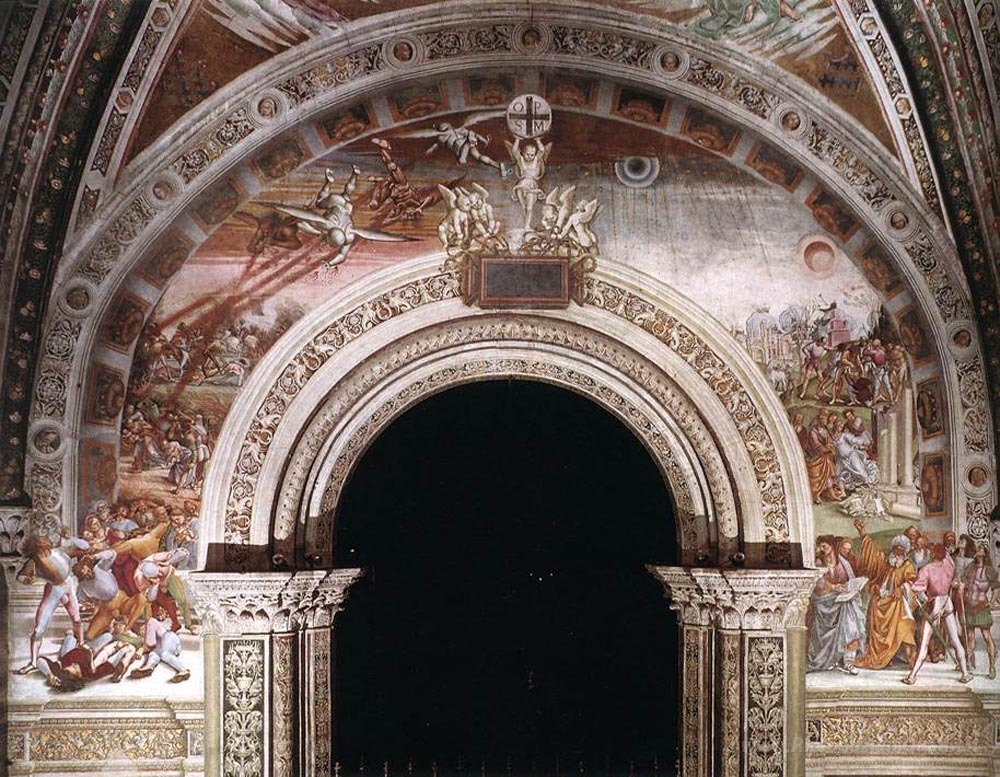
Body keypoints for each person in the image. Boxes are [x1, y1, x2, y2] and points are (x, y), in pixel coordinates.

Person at [15, 533, 90, 674]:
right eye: (40, 550)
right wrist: (28, 580)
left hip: (69, 585)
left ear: (48, 547)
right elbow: (20, 576)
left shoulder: (59, 552)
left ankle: (80, 643)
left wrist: (73, 540)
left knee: (76, 618)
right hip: (53, 591)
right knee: (39, 629)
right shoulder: (33, 562)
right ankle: (33, 662)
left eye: (45, 548)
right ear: (35, 550)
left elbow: (84, 550)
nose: (43, 552)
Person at [851, 520, 917, 669]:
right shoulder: (886, 562)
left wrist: (902, 588)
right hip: (881, 601)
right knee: (874, 616)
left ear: (904, 551)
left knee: (904, 627)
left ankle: (909, 658)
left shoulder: (907, 565)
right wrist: (862, 533)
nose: (898, 552)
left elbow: (912, 581)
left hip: (896, 603)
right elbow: (873, 555)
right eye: (896, 549)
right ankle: (880, 657)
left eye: (901, 550)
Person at [903, 543, 972, 684]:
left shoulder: (927, 569)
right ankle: (965, 673)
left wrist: (911, 583)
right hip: (947, 603)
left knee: (924, 643)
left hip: (934, 605)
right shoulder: (948, 566)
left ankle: (912, 676)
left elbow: (917, 589)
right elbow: (948, 562)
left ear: (933, 554)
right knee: (955, 640)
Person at [807, 536, 866, 674]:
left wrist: (850, 589)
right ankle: (829, 660)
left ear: (832, 547)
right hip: (823, 602)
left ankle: (848, 660)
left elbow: (850, 581)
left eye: (824, 546)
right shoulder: (818, 562)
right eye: (820, 546)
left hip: (841, 600)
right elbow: (817, 583)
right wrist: (833, 587)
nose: (822, 549)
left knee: (851, 616)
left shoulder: (843, 563)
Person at [964, 542, 999, 679]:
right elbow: (962, 581)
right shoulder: (970, 568)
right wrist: (959, 584)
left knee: (986, 635)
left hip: (982, 606)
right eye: (977, 548)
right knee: (970, 637)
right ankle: (968, 665)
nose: (977, 550)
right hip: (969, 606)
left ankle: (992, 666)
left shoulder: (989, 570)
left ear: (984, 553)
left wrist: (992, 602)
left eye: (980, 549)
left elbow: (996, 588)